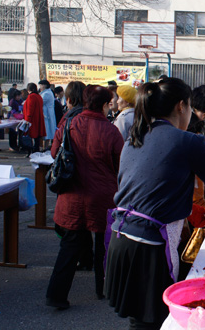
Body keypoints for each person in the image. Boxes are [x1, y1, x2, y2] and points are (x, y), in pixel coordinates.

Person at [105, 79, 205, 329]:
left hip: (120, 238)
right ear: (182, 106)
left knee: (140, 320)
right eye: (190, 107)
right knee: (154, 320)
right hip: (150, 244)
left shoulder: (135, 136)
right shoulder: (188, 141)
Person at [45, 85, 124, 310]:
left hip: (72, 194)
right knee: (102, 244)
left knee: (70, 245)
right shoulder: (111, 131)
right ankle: (103, 289)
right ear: (104, 104)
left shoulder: (69, 124)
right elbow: (121, 166)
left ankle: (56, 295)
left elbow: (54, 153)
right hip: (102, 196)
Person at [23, 83, 46, 153]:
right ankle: (36, 150)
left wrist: (27, 119)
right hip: (38, 118)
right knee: (37, 137)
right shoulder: (39, 96)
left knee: (30, 136)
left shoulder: (31, 97)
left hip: (32, 120)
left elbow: (30, 109)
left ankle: (31, 151)